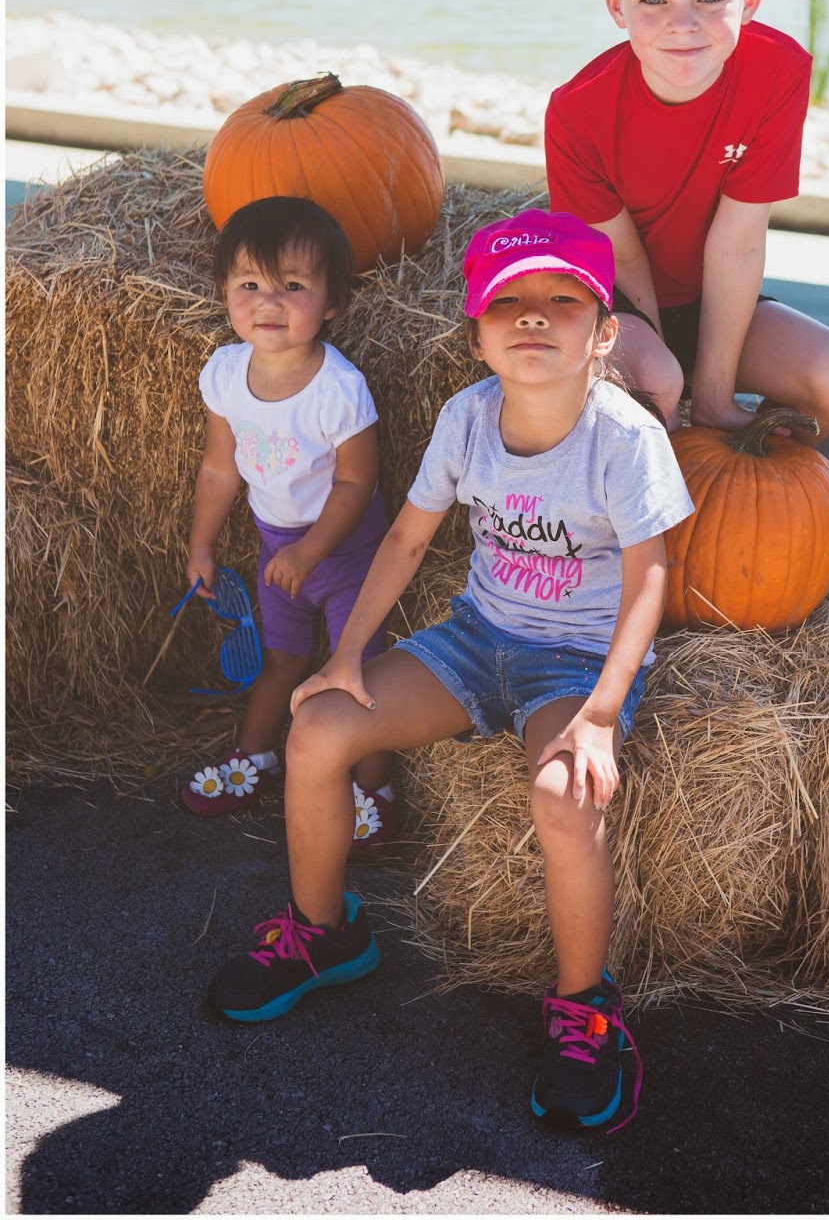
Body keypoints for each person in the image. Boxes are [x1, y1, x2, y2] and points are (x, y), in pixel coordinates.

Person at [207, 208, 693, 1133]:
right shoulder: (468, 417)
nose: (533, 316)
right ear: (476, 337)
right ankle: (324, 932)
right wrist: (346, 655)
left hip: (574, 661)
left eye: (562, 301)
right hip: (476, 637)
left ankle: (587, 1009)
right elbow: (405, 539)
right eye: (508, 303)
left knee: (564, 794)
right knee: (319, 728)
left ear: (604, 334)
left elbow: (650, 578)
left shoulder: (625, 439)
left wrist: (600, 713)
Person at [545, 0, 829, 442]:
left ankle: (757, 488)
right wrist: (670, 389)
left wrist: (716, 402)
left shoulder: (778, 72)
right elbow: (621, 259)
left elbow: (737, 242)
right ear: (616, 3)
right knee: (659, 384)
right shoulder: (577, 112)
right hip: (619, 302)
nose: (683, 25)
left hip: (712, 297)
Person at [182, 195, 397, 856]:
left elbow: (357, 482)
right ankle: (256, 755)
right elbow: (220, 468)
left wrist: (311, 552)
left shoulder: (338, 389)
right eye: (250, 284)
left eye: (294, 286)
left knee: (360, 668)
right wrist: (201, 544)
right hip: (277, 546)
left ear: (331, 302)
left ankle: (374, 786)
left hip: (347, 554)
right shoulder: (225, 374)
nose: (269, 302)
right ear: (225, 291)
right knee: (281, 658)